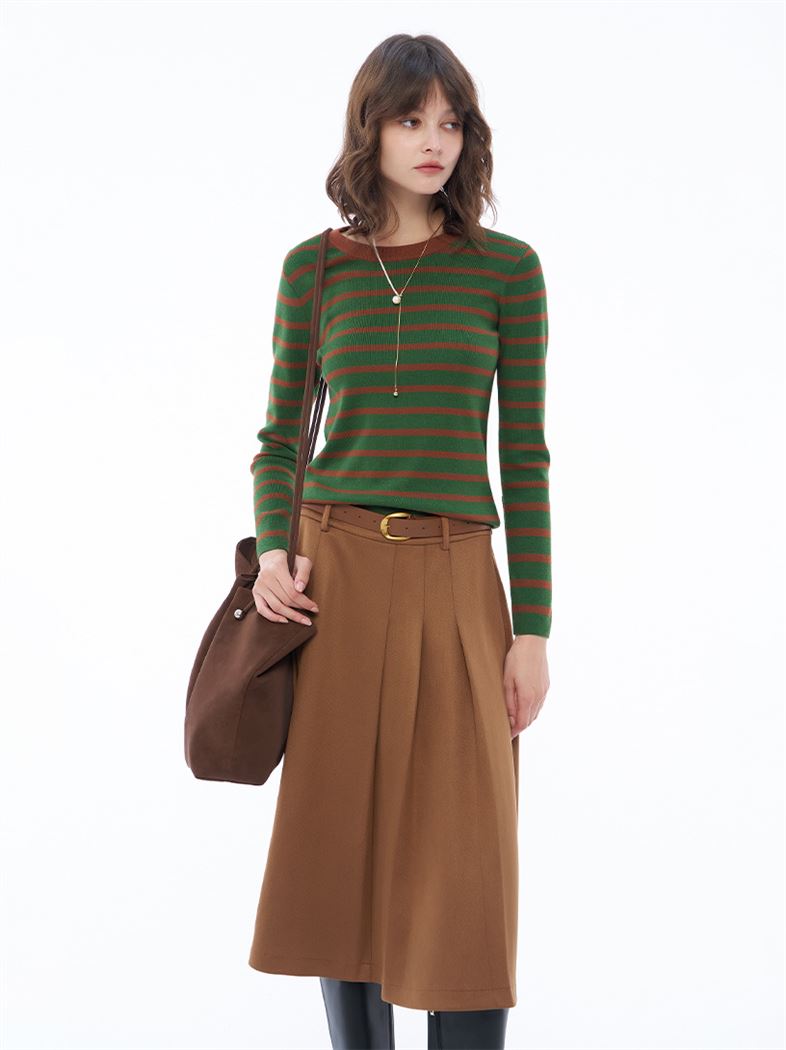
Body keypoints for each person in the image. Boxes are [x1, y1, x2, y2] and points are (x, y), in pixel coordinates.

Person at [247, 33, 552, 1050]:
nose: (434, 141)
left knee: (467, 862)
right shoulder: (313, 269)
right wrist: (275, 549)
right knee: (343, 853)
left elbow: (525, 458)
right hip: (333, 575)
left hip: (460, 577)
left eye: (451, 123)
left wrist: (534, 628)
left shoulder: (506, 271)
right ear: (369, 129)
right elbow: (280, 439)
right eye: (411, 119)